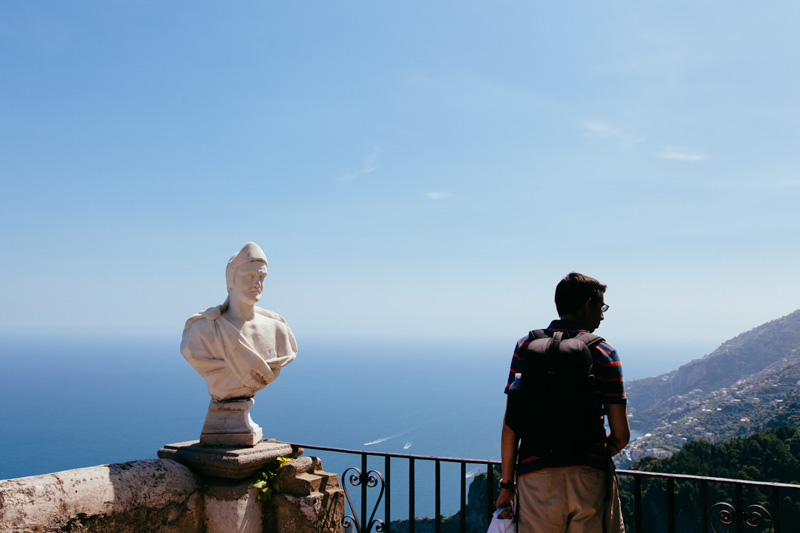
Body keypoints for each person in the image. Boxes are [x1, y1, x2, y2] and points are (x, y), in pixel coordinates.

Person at [495, 272, 630, 532]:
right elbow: (621, 435)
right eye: (601, 307)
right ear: (588, 304)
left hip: (535, 475)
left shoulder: (525, 346)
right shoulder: (604, 352)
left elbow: (511, 424)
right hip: (588, 476)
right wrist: (591, 455)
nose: (602, 315)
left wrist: (507, 485)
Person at [181, 242, 297, 402]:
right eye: (249, 276)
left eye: (261, 277)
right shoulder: (202, 329)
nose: (257, 283)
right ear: (231, 280)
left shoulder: (278, 329)